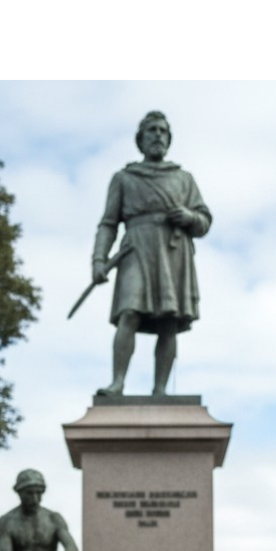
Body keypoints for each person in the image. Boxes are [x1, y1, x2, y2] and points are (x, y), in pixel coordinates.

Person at [92, 111, 212, 396]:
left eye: (163, 131)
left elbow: (204, 221)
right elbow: (108, 223)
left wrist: (190, 217)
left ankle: (160, 390)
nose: (158, 135)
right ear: (140, 139)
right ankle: (118, 382)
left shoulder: (184, 179)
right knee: (129, 313)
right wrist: (98, 259)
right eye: (152, 131)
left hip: (173, 251)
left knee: (168, 321)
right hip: (136, 247)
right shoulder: (124, 178)